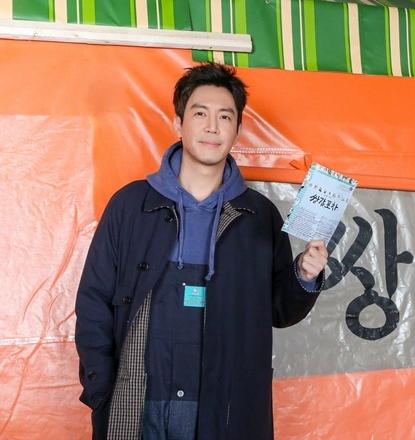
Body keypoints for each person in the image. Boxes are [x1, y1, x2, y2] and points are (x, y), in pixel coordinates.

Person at [74, 63, 327, 440]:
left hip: (224, 407)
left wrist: (304, 276)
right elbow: (93, 301)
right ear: (178, 123)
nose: (212, 127)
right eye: (200, 114)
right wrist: (101, 391)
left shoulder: (258, 216)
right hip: (138, 401)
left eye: (225, 117)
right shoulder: (131, 206)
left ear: (238, 129)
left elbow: (279, 310)